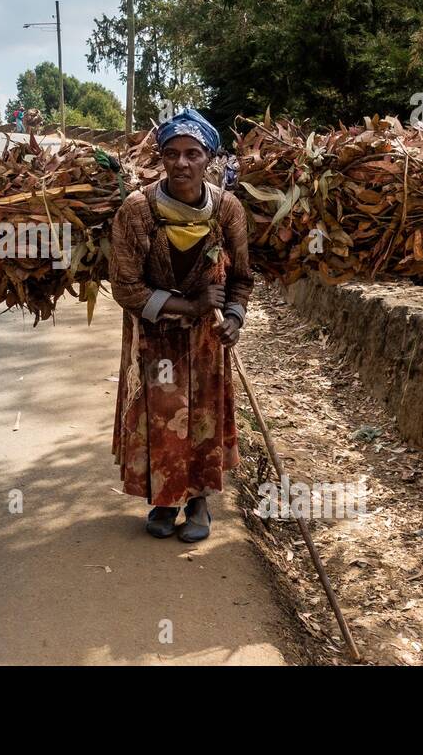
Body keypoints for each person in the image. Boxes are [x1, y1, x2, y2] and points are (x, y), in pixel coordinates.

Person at [108, 108, 254, 542]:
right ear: (161, 158)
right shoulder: (137, 211)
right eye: (172, 154)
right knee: (162, 414)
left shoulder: (226, 210)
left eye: (193, 154)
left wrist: (234, 318)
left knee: (202, 416)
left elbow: (242, 278)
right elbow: (126, 288)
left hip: (207, 339)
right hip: (155, 335)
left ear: (209, 158)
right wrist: (189, 306)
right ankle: (163, 500)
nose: (182, 163)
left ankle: (199, 502)